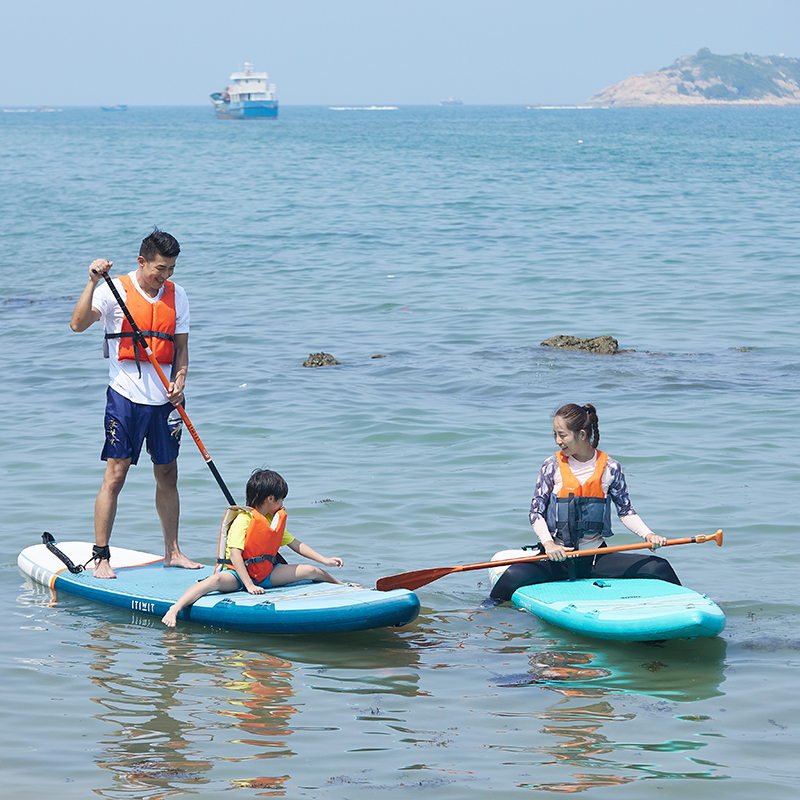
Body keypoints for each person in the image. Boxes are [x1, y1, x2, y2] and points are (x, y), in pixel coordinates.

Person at [70, 228, 200, 579]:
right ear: (142, 261)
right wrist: (91, 281)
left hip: (165, 399)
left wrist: (180, 381)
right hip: (125, 396)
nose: (165, 276)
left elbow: (181, 347)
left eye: (171, 269)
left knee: (168, 474)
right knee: (116, 475)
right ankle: (101, 557)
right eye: (160, 268)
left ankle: (172, 552)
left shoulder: (178, 295)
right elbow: (77, 324)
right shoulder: (114, 291)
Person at [490, 403, 680, 601]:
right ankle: (484, 613)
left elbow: (625, 511)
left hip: (595, 559)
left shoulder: (611, 468)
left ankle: (686, 606)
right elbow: (536, 512)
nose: (557, 441)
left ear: (581, 435)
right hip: (556, 558)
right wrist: (549, 545)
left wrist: (648, 535)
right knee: (511, 577)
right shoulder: (551, 466)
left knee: (659, 567)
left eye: (562, 435)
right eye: (555, 434)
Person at [162, 469, 355, 627]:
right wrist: (249, 585)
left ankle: (341, 586)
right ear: (270, 498)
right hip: (238, 575)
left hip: (266, 573)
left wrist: (325, 560)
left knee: (312, 571)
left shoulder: (271, 521)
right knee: (212, 582)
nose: (282, 505)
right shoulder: (243, 520)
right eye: (280, 500)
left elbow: (296, 544)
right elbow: (236, 555)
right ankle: (175, 608)